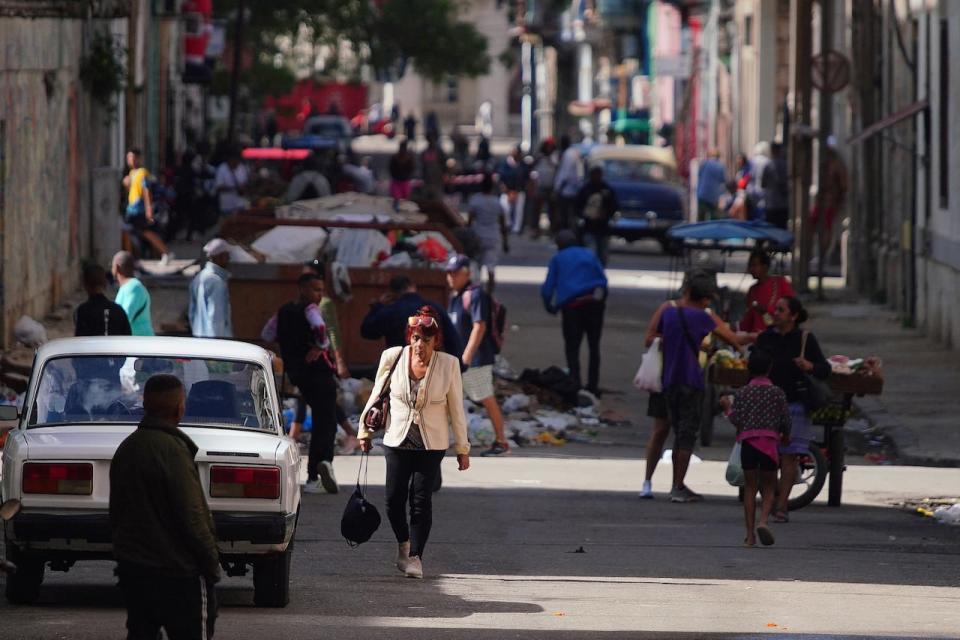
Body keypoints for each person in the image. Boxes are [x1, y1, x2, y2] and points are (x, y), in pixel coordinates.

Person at [358, 306, 470, 579]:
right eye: (416, 339)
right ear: (410, 337)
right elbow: (376, 395)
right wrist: (365, 431)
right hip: (397, 439)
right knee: (393, 500)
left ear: (436, 341)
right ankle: (403, 544)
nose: (420, 346)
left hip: (431, 444)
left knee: (421, 500)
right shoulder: (393, 357)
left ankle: (416, 557)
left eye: (426, 341)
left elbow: (456, 408)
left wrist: (462, 449)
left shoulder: (449, 364)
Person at [110, 374, 220, 639]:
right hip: (179, 574)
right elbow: (192, 516)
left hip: (135, 572)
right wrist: (211, 563)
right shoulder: (173, 451)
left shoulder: (127, 449)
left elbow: (118, 515)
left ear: (145, 405)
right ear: (180, 408)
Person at [656, 271, 742, 502]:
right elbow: (732, 339)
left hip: (669, 380)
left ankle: (678, 484)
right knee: (687, 434)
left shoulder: (670, 313)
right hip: (691, 380)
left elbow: (657, 337)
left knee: (678, 433)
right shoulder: (703, 317)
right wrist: (750, 340)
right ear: (704, 299)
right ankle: (678, 486)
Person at [755, 296, 830, 522]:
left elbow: (824, 369)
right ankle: (774, 496)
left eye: (781, 309)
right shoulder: (765, 337)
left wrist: (809, 366)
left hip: (795, 404)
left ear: (793, 316)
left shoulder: (805, 338)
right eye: (775, 309)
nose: (775, 313)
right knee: (766, 457)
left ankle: (781, 506)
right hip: (767, 403)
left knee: (789, 457)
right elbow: (752, 365)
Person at [273, 273, 341, 493]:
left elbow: (267, 332)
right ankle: (318, 471)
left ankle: (318, 471)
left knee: (323, 416)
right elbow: (321, 329)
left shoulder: (283, 311)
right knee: (326, 422)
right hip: (319, 374)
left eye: (321, 290)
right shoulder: (311, 309)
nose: (319, 295)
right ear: (302, 289)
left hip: (297, 374)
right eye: (316, 289)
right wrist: (321, 346)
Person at [725, 348, 791, 547]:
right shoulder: (777, 393)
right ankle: (763, 521)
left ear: (749, 369)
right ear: (769, 369)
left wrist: (727, 409)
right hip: (770, 444)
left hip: (749, 445)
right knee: (769, 487)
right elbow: (785, 420)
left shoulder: (743, 392)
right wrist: (786, 436)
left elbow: (736, 418)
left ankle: (750, 535)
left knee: (750, 489)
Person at [444, 255, 509, 456]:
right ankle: (457, 441)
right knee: (450, 400)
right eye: (448, 273)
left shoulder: (475, 294)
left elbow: (479, 326)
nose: (451, 277)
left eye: (455, 273)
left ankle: (501, 442)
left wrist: (467, 356)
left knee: (485, 398)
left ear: (467, 274)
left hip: (475, 360)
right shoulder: (456, 296)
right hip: (458, 360)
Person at [540, 230, 608, 397]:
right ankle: (593, 385)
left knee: (572, 346)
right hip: (594, 303)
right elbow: (603, 279)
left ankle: (575, 381)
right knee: (594, 345)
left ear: (559, 246)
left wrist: (550, 305)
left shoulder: (558, 258)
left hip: (572, 307)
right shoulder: (590, 254)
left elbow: (548, 288)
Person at [361, 275, 463, 356]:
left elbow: (367, 331)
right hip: (429, 371)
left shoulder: (389, 312)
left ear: (391, 294)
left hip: (400, 371)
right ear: (413, 286)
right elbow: (453, 341)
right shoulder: (435, 308)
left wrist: (378, 306)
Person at [122, 148, 172, 262]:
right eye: (129, 158)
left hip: (139, 209)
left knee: (145, 232)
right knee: (135, 233)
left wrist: (148, 209)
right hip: (131, 209)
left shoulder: (142, 173)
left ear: (139, 159)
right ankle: (133, 259)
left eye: (134, 158)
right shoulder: (131, 173)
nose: (131, 160)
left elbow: (146, 190)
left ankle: (165, 252)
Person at [467, 173, 509, 293]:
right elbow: (503, 224)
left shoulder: (475, 201)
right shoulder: (497, 202)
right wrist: (506, 242)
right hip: (493, 237)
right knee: (491, 268)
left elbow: (470, 221)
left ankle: (476, 293)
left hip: (478, 236)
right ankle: (489, 295)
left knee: (477, 268)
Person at [810, 137, 848, 270]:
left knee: (826, 229)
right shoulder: (825, 162)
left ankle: (822, 255)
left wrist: (838, 198)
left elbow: (844, 183)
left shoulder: (836, 164)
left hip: (830, 202)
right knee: (812, 223)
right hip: (821, 201)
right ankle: (815, 253)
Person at [739, 250, 796, 336]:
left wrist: (766, 310)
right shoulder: (752, 290)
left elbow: (792, 308)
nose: (751, 269)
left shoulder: (781, 283)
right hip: (757, 337)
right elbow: (748, 319)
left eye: (754, 265)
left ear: (765, 267)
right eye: (750, 266)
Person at [188, 238, 233, 338]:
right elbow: (216, 317)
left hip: (199, 337)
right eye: (227, 255)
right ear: (221, 256)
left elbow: (191, 313)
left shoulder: (199, 277)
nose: (229, 259)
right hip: (215, 343)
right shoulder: (217, 282)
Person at [575, 166, 618, 267]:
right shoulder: (586, 189)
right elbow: (577, 206)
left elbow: (614, 206)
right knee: (591, 252)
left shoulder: (606, 189)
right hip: (589, 227)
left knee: (602, 254)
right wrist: (585, 215)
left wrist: (606, 214)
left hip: (603, 227)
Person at [75, 263, 131, 337]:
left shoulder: (82, 311)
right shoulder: (118, 310)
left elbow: (79, 341)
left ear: (85, 285)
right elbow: (128, 338)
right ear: (105, 284)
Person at [112, 251, 154, 336]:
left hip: (140, 344)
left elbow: (125, 318)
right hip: (133, 343)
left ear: (116, 267)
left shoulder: (133, 287)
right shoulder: (127, 287)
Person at [553, 135, 583, 233]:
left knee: (565, 216)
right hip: (571, 189)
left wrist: (559, 188)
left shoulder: (569, 154)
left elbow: (566, 173)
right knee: (569, 216)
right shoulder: (572, 152)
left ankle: (567, 235)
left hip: (567, 190)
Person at [532, 139, 558, 237]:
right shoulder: (539, 157)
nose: (549, 148)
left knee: (552, 210)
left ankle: (552, 230)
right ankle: (535, 229)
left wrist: (549, 158)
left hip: (551, 186)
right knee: (537, 209)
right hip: (540, 186)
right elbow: (533, 168)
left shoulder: (554, 156)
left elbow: (556, 166)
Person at [214, 147, 250, 215]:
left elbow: (246, 182)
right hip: (227, 208)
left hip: (241, 206)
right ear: (230, 159)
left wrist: (244, 188)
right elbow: (218, 187)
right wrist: (234, 188)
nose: (237, 163)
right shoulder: (221, 169)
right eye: (235, 161)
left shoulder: (241, 167)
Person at [762, 142, 790, 230]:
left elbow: (763, 184)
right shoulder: (785, 165)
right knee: (781, 228)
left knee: (771, 230)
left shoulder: (768, 165)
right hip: (783, 204)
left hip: (771, 203)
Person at [697, 149, 727, 220]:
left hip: (702, 194)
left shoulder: (705, 163)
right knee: (714, 216)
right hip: (714, 196)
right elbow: (723, 179)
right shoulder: (721, 166)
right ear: (718, 157)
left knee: (701, 217)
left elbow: (699, 175)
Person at [420, 132, 447, 200]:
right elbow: (422, 166)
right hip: (427, 181)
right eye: (430, 139)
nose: (431, 141)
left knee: (437, 199)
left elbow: (444, 164)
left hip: (437, 180)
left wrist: (444, 174)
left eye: (433, 139)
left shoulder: (439, 152)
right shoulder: (424, 152)